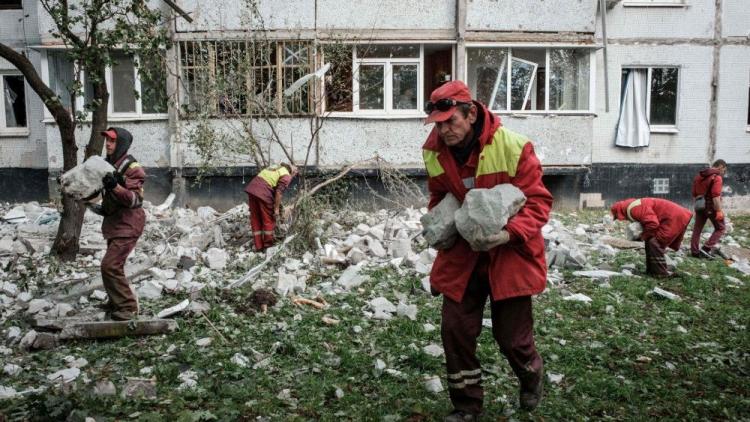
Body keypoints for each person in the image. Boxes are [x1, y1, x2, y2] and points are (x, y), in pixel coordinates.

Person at [422, 80, 553, 420]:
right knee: (455, 330)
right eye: (439, 123)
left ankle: (530, 373)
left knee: (511, 337)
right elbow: (439, 195)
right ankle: (466, 406)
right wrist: (440, 220)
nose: (444, 130)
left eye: (451, 121)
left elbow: (538, 203)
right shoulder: (434, 150)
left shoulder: (513, 146)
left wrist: (508, 234)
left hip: (509, 253)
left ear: (471, 112)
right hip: (463, 256)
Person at [92, 127, 146, 321]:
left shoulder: (132, 168)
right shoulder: (107, 164)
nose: (108, 144)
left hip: (129, 225)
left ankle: (128, 307)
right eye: (107, 140)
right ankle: (115, 302)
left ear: (121, 143)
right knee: (113, 265)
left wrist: (115, 186)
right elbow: (100, 192)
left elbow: (134, 200)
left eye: (112, 141)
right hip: (115, 224)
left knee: (110, 265)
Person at [610, 198, 692, 278]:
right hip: (673, 215)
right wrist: (644, 236)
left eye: (618, 217)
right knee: (649, 241)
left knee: (655, 243)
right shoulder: (634, 206)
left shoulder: (634, 209)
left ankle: (661, 273)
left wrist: (642, 236)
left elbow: (652, 224)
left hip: (674, 216)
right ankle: (651, 270)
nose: (622, 220)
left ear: (620, 212)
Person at [244, 163, 298, 251]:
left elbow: (273, 185)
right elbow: (279, 193)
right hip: (263, 192)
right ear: (293, 171)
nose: (294, 176)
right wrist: (276, 209)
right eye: (295, 174)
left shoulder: (276, 167)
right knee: (268, 219)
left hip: (253, 189)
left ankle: (258, 246)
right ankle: (268, 246)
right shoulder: (286, 176)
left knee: (255, 218)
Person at [690, 159, 727, 259]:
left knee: (697, 229)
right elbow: (715, 196)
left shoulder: (698, 176)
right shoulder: (717, 177)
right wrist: (718, 211)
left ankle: (694, 251)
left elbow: (694, 193)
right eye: (724, 170)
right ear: (720, 167)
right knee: (721, 228)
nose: (723, 173)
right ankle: (706, 248)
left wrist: (697, 206)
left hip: (699, 205)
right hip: (711, 206)